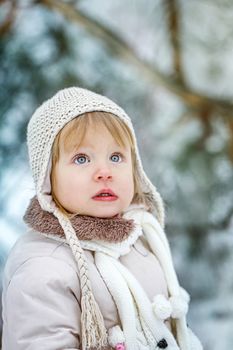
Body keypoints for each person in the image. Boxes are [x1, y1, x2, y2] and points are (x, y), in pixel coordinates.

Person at [1, 87, 203, 350]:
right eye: (81, 158)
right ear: (47, 177)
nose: (104, 172)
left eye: (116, 157)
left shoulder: (139, 237)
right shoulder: (43, 266)